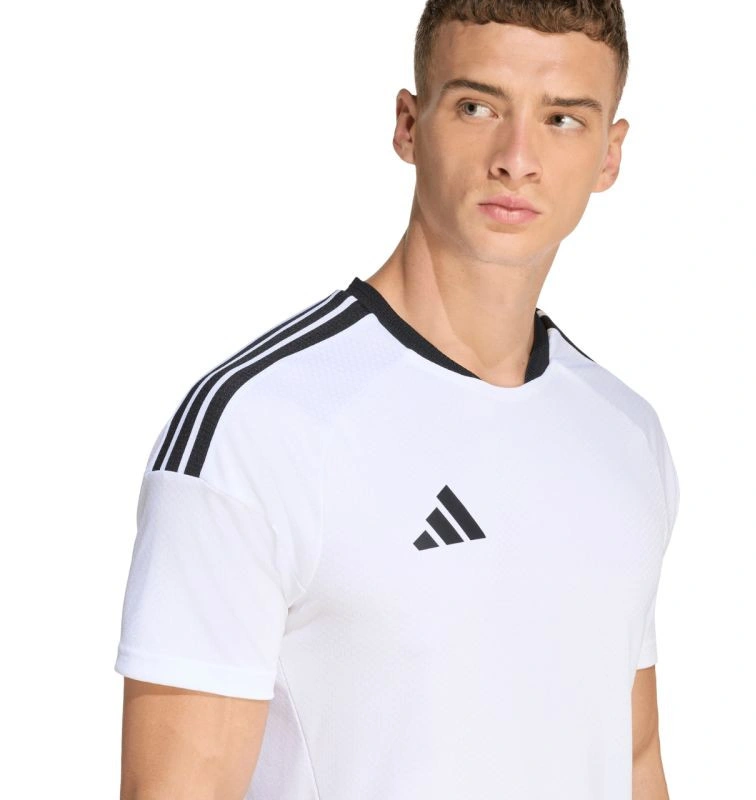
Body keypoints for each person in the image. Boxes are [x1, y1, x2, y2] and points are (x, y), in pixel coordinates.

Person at [114, 1, 680, 798]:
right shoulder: (259, 426)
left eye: (562, 119)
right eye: (478, 107)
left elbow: (633, 759)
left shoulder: (625, 434)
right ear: (409, 125)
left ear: (610, 154)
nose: (517, 159)